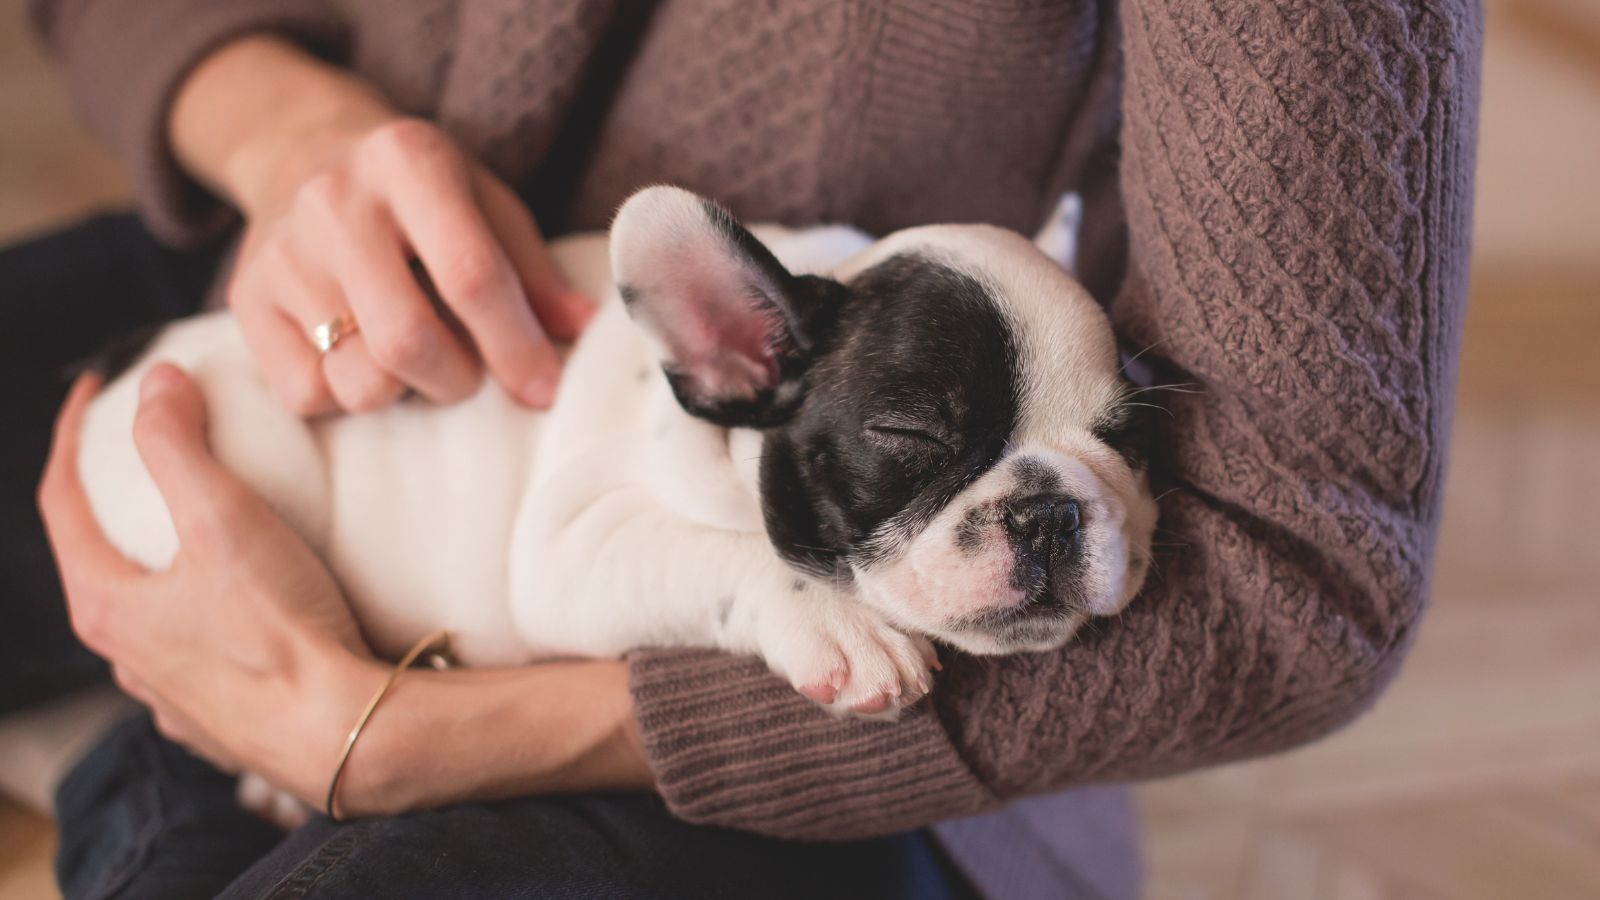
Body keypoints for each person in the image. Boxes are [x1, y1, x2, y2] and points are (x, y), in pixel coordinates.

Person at [3, 0, 1481, 897]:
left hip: (747, 744)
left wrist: (398, 742)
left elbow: (1302, 571)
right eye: (927, 453)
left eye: (1109, 446)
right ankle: (155, 767)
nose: (1041, 513)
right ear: (726, 358)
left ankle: (136, 786)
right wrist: (286, 131)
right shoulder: (756, 348)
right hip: (299, 323)